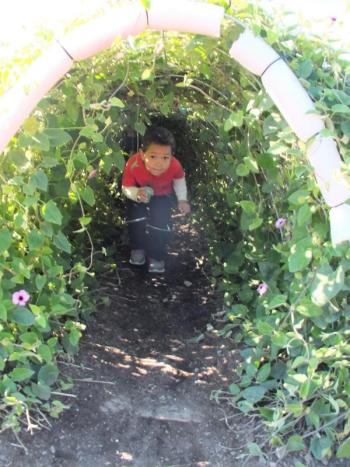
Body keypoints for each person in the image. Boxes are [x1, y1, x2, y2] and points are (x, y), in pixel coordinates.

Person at [122, 126, 191, 273]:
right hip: (138, 192)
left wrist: (182, 200)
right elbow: (126, 187)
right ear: (142, 154)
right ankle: (138, 248)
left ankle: (156, 255)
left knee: (161, 223)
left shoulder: (175, 165)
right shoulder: (133, 164)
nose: (159, 163)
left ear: (172, 156)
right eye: (153, 156)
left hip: (162, 195)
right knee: (136, 219)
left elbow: (179, 180)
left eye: (165, 157)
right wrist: (136, 193)